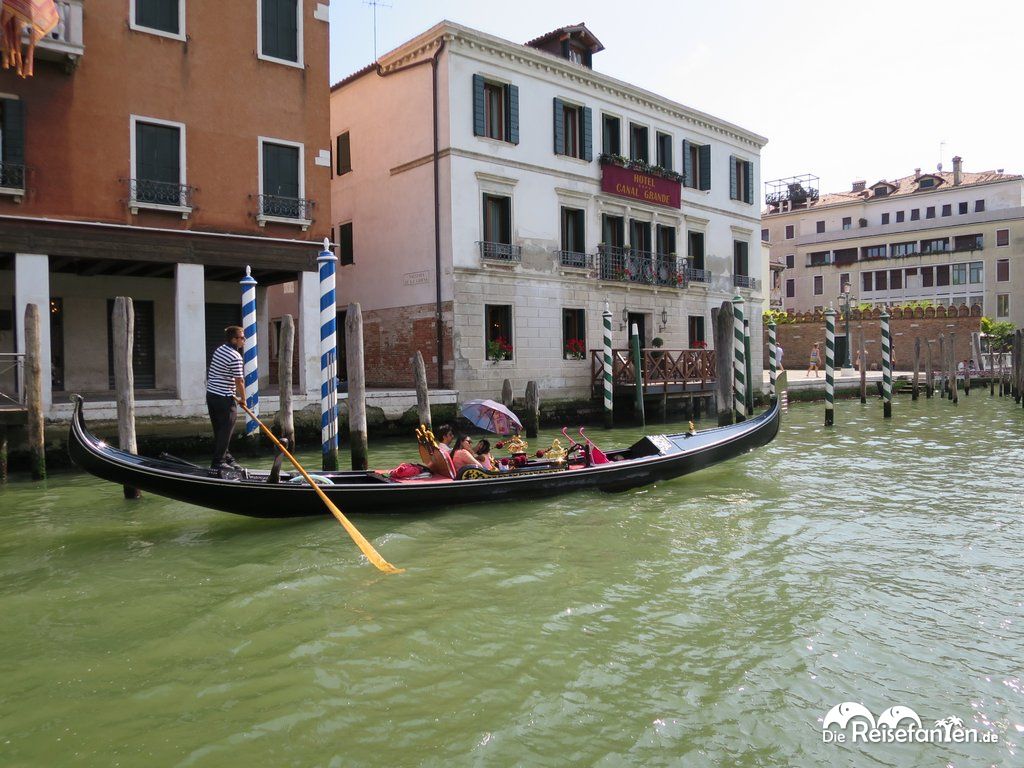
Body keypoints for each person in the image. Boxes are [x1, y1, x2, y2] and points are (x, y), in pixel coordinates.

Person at [207, 326, 246, 470]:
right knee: (226, 430)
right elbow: (239, 381)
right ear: (234, 339)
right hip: (224, 398)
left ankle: (227, 458)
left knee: (220, 430)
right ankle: (218, 462)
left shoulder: (220, 349)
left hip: (211, 395)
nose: (244, 340)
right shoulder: (235, 356)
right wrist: (243, 399)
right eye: (242, 337)